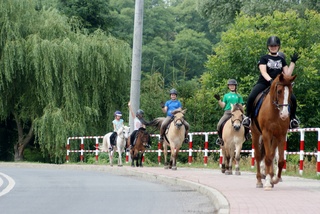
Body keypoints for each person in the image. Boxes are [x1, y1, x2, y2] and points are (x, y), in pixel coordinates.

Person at [243, 36, 300, 129]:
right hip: (264, 82)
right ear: (268, 47)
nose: (273, 47)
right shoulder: (264, 58)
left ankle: (293, 119)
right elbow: (263, 71)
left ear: (278, 47)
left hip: (279, 84)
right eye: (271, 46)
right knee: (251, 96)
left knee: (293, 98)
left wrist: (293, 62)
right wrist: (270, 81)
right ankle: (248, 118)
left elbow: (288, 74)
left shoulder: (281, 60)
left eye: (275, 45)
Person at [214, 79, 250, 146]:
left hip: (237, 112)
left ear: (235, 86)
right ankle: (220, 139)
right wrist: (219, 100)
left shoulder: (239, 96)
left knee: (247, 121)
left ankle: (246, 135)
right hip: (228, 112)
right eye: (230, 85)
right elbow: (223, 105)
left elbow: (241, 105)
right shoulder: (226, 95)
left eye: (233, 85)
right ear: (228, 86)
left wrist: (240, 111)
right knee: (219, 124)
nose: (232, 86)